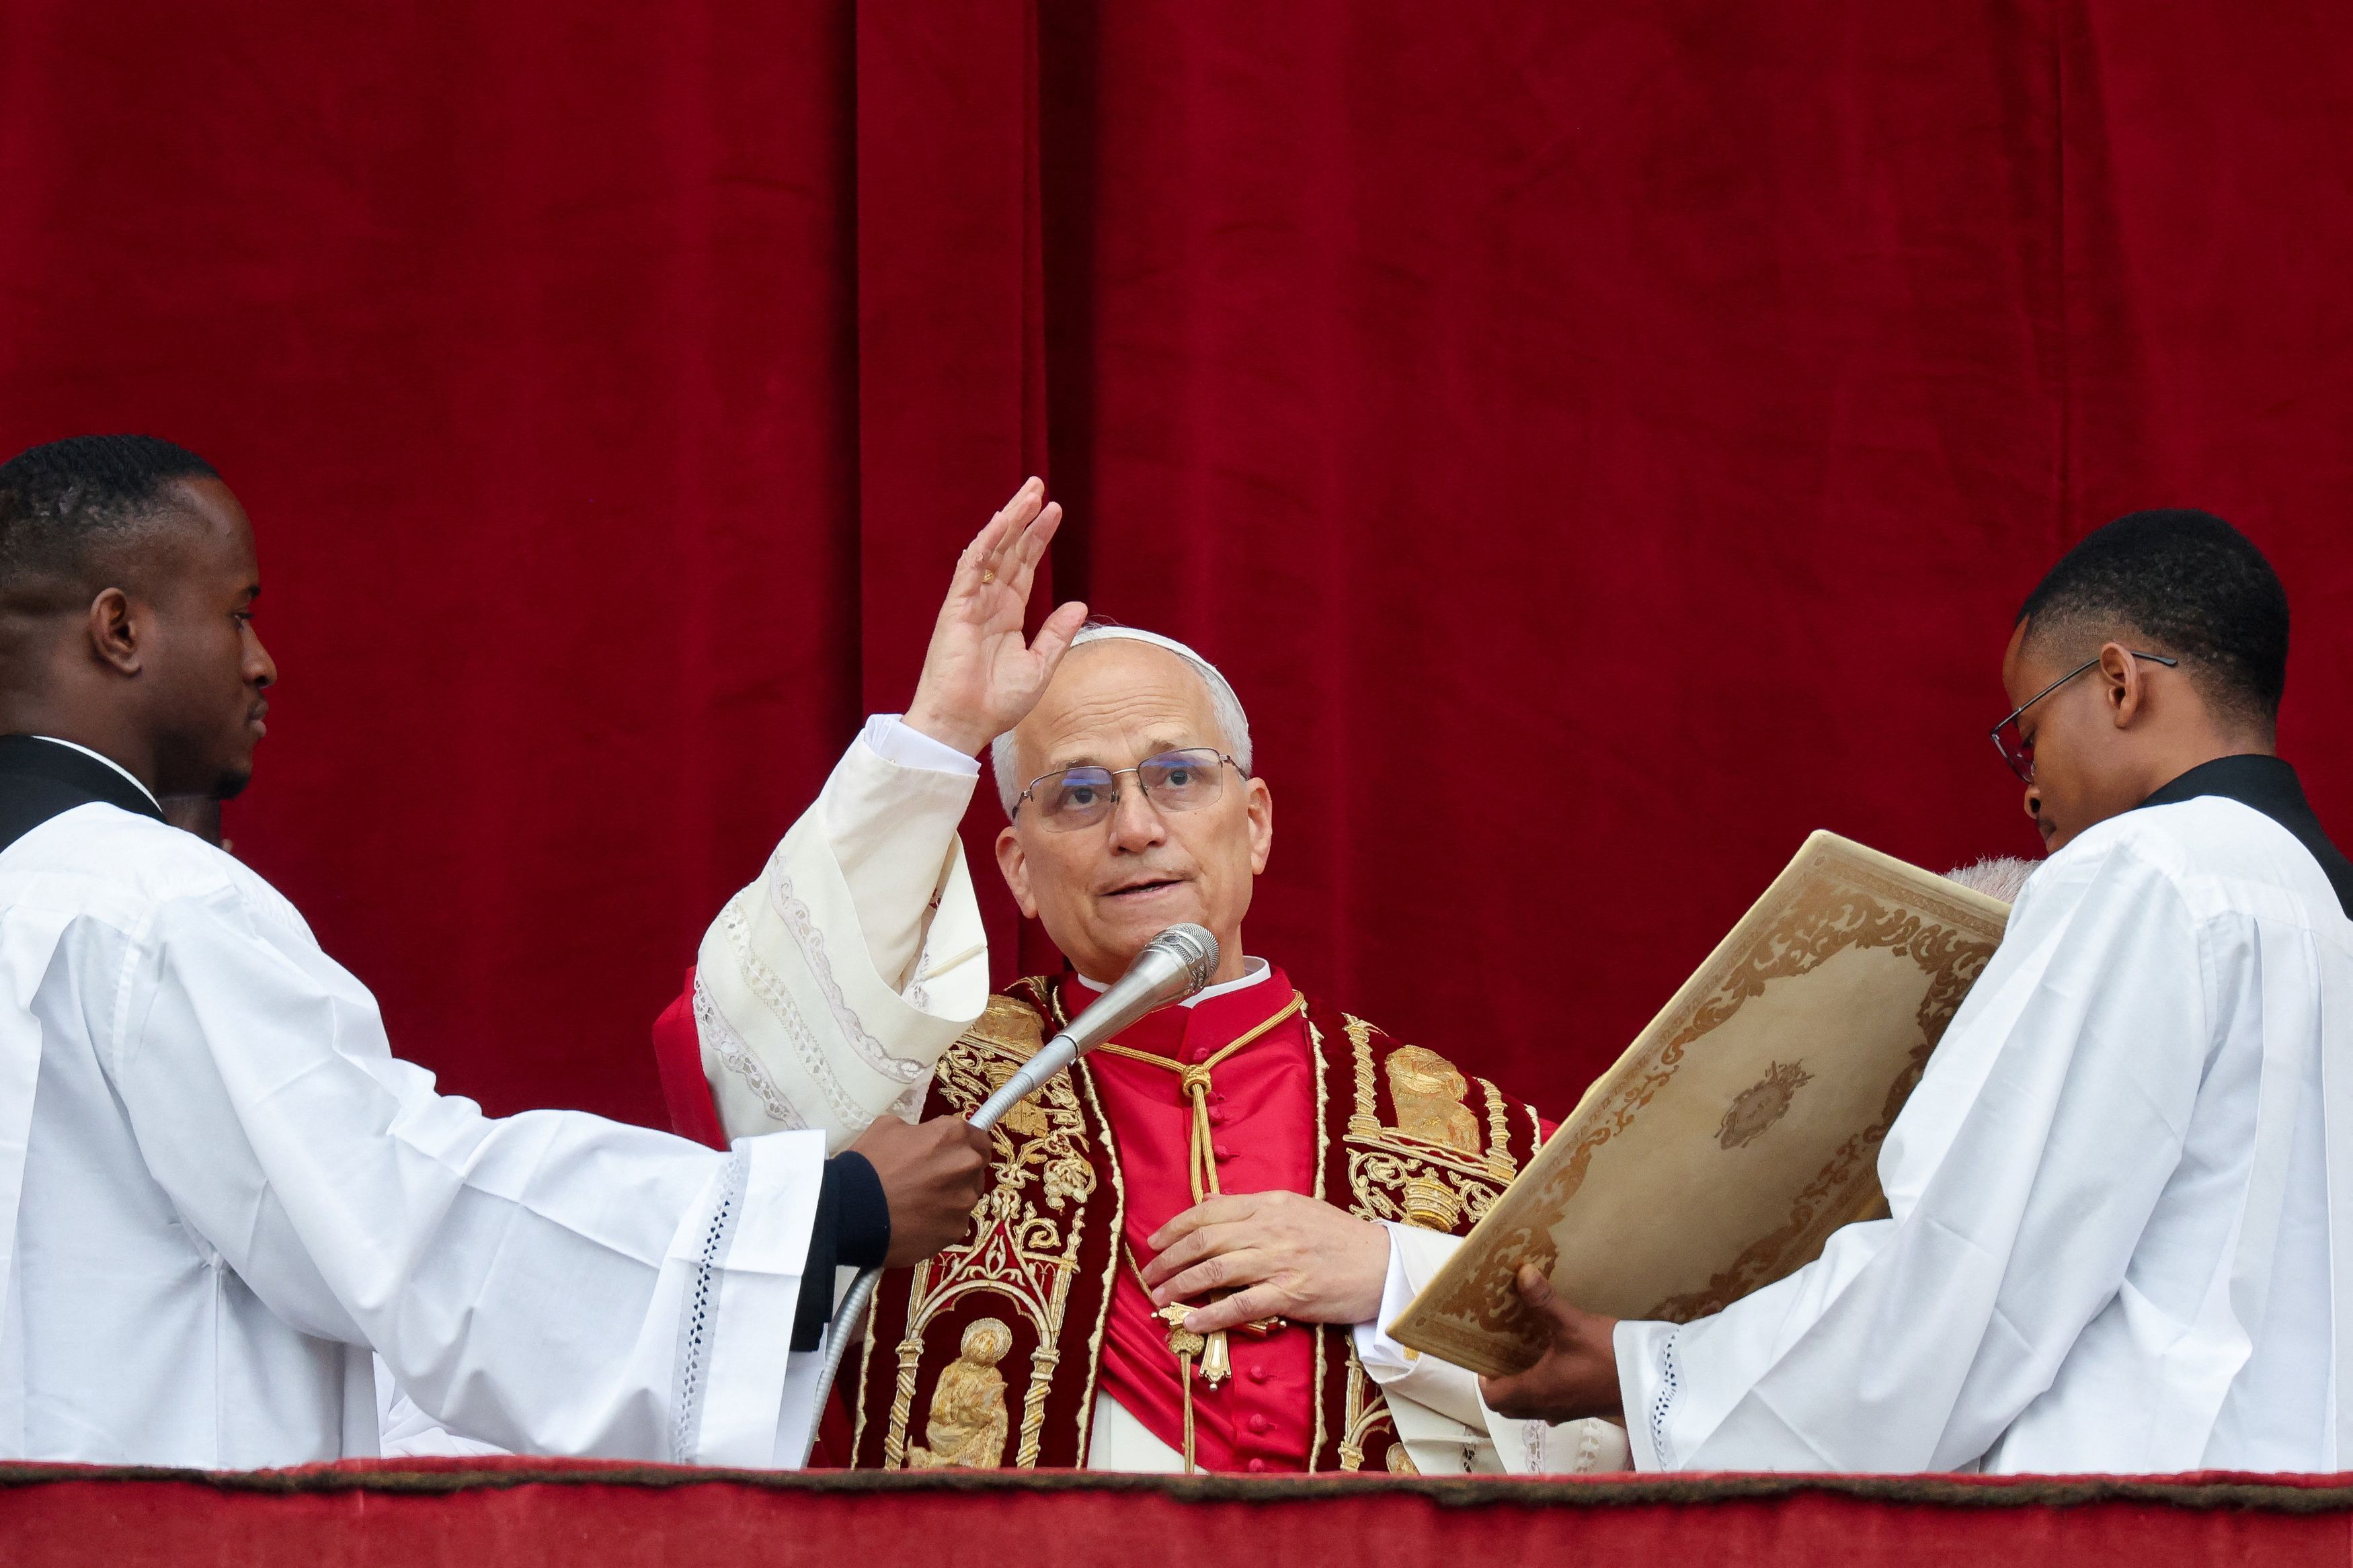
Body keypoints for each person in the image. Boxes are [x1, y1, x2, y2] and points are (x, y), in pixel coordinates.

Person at [0, 434, 990, 1467]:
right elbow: (406, 1220)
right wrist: (822, 1215)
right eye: (238, 612)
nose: (262, 661)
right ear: (121, 629)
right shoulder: (149, 904)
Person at [652, 479, 1627, 1475]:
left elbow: (1638, 1389)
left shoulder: (1466, 1131)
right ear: (1018, 872)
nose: (1135, 827)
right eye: (1078, 794)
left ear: (1255, 824)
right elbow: (752, 1057)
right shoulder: (925, 1095)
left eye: (1178, 776)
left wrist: (1392, 1278)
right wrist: (940, 729)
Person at [1478, 508, 2353, 1473]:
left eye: (2027, 736)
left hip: (2139, 1507)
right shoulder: (2325, 908)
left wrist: (1652, 1371)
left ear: (2118, 683)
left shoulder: (2142, 872)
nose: (2029, 790)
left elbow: (1966, 1283)